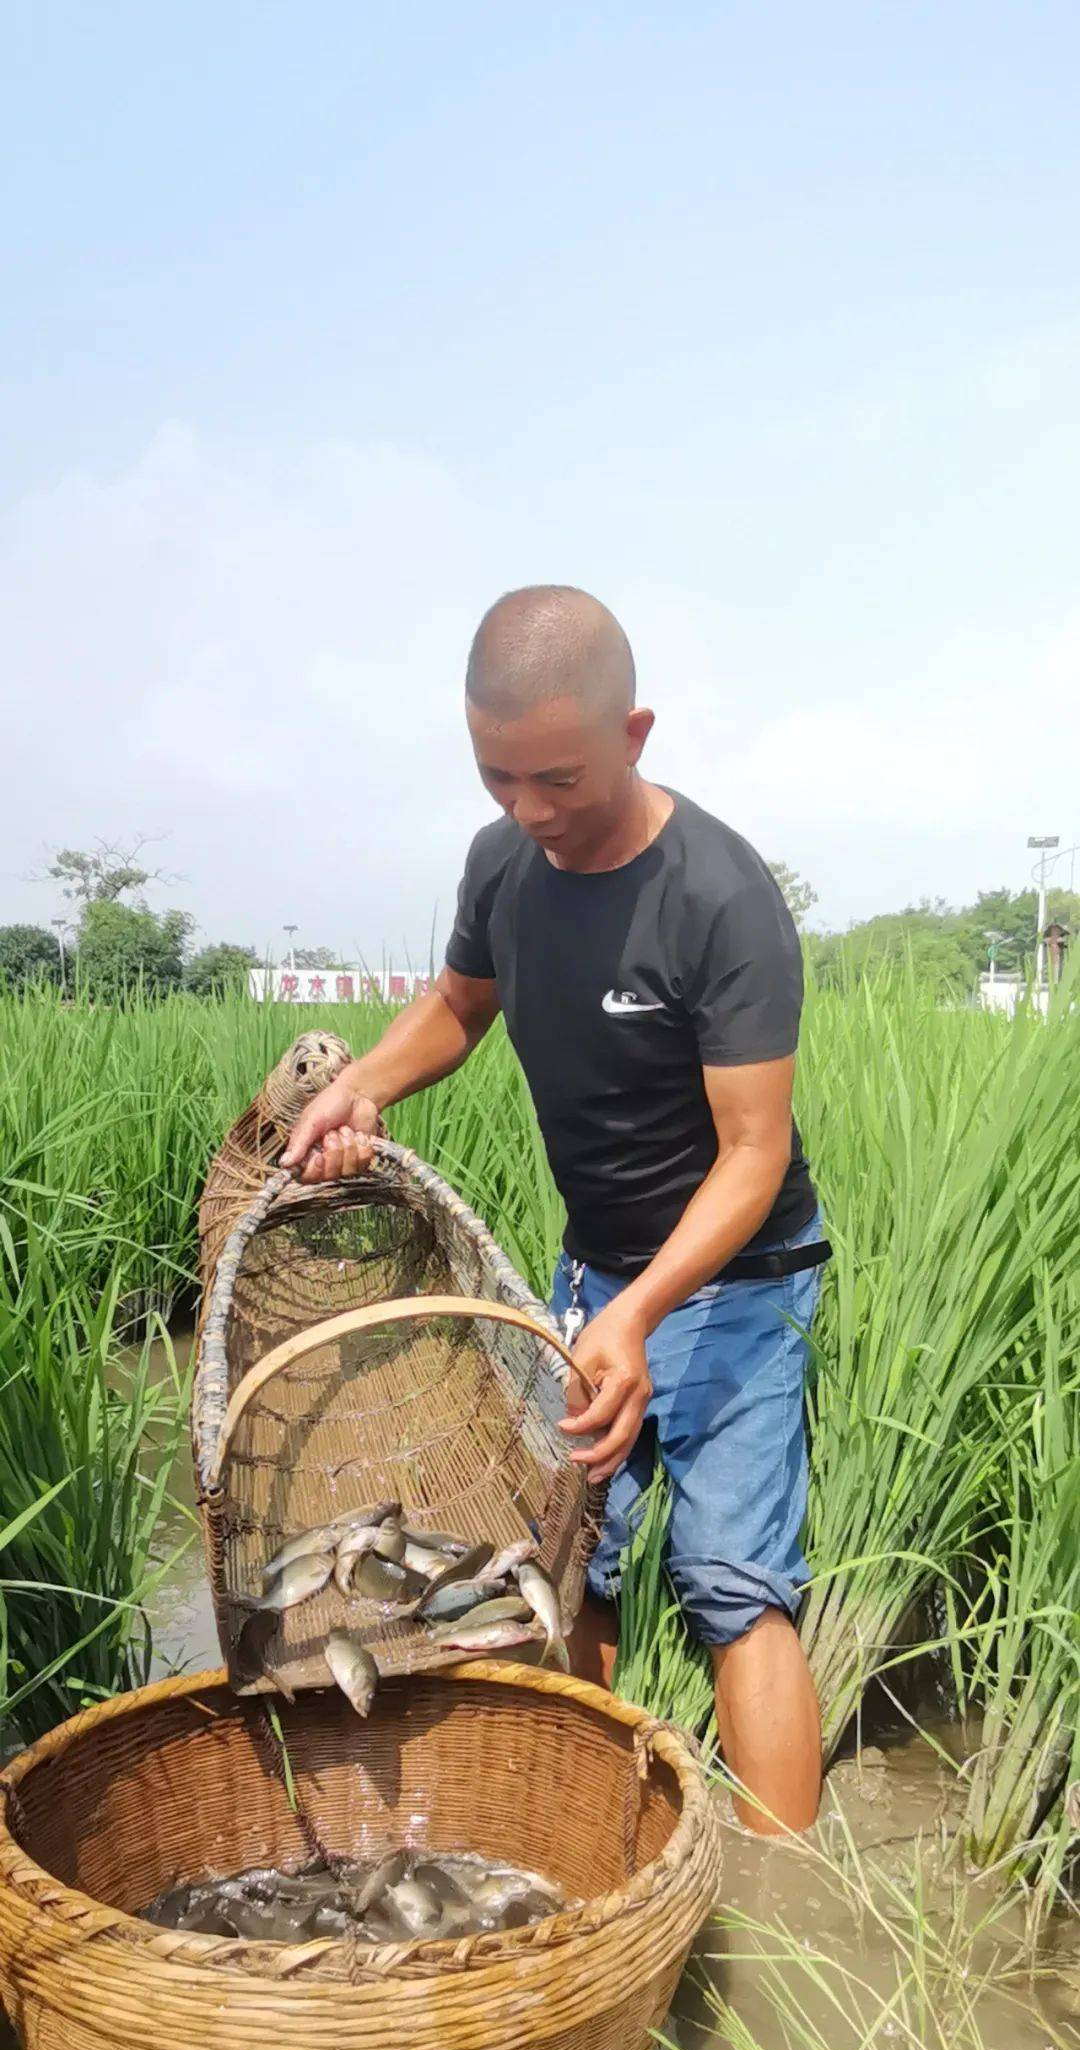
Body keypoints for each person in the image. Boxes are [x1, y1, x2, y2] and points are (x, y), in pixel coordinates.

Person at [282, 587, 827, 1834]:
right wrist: (363, 1082)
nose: (529, 812)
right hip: (597, 1274)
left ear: (635, 735)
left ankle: (792, 1899)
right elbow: (459, 1008)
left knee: (730, 1581)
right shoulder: (504, 864)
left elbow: (754, 1153)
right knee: (572, 1562)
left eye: (558, 779)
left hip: (737, 1278)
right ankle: (580, 1841)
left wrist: (640, 1312)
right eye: (498, 779)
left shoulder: (720, 898)